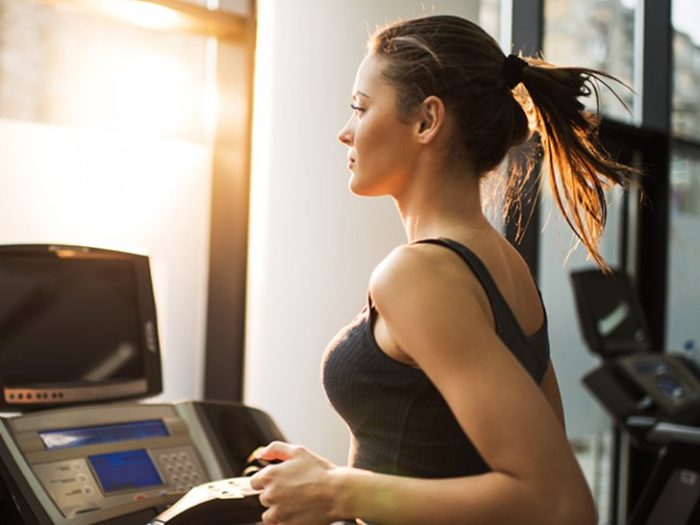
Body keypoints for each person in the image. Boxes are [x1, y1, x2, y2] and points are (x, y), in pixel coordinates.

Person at [249, 14, 637, 525]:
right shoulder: (503, 266)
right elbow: (454, 456)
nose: (346, 133)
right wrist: (329, 482)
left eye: (360, 109)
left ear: (427, 121)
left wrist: (341, 492)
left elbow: (558, 503)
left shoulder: (419, 273)